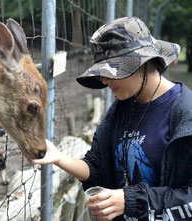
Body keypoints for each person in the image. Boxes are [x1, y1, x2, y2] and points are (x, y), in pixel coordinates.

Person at [33, 17, 192, 221]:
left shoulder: (185, 115)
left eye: (112, 71)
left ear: (141, 62)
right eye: (102, 73)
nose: (104, 80)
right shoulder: (121, 108)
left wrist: (131, 201)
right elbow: (97, 167)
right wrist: (59, 158)